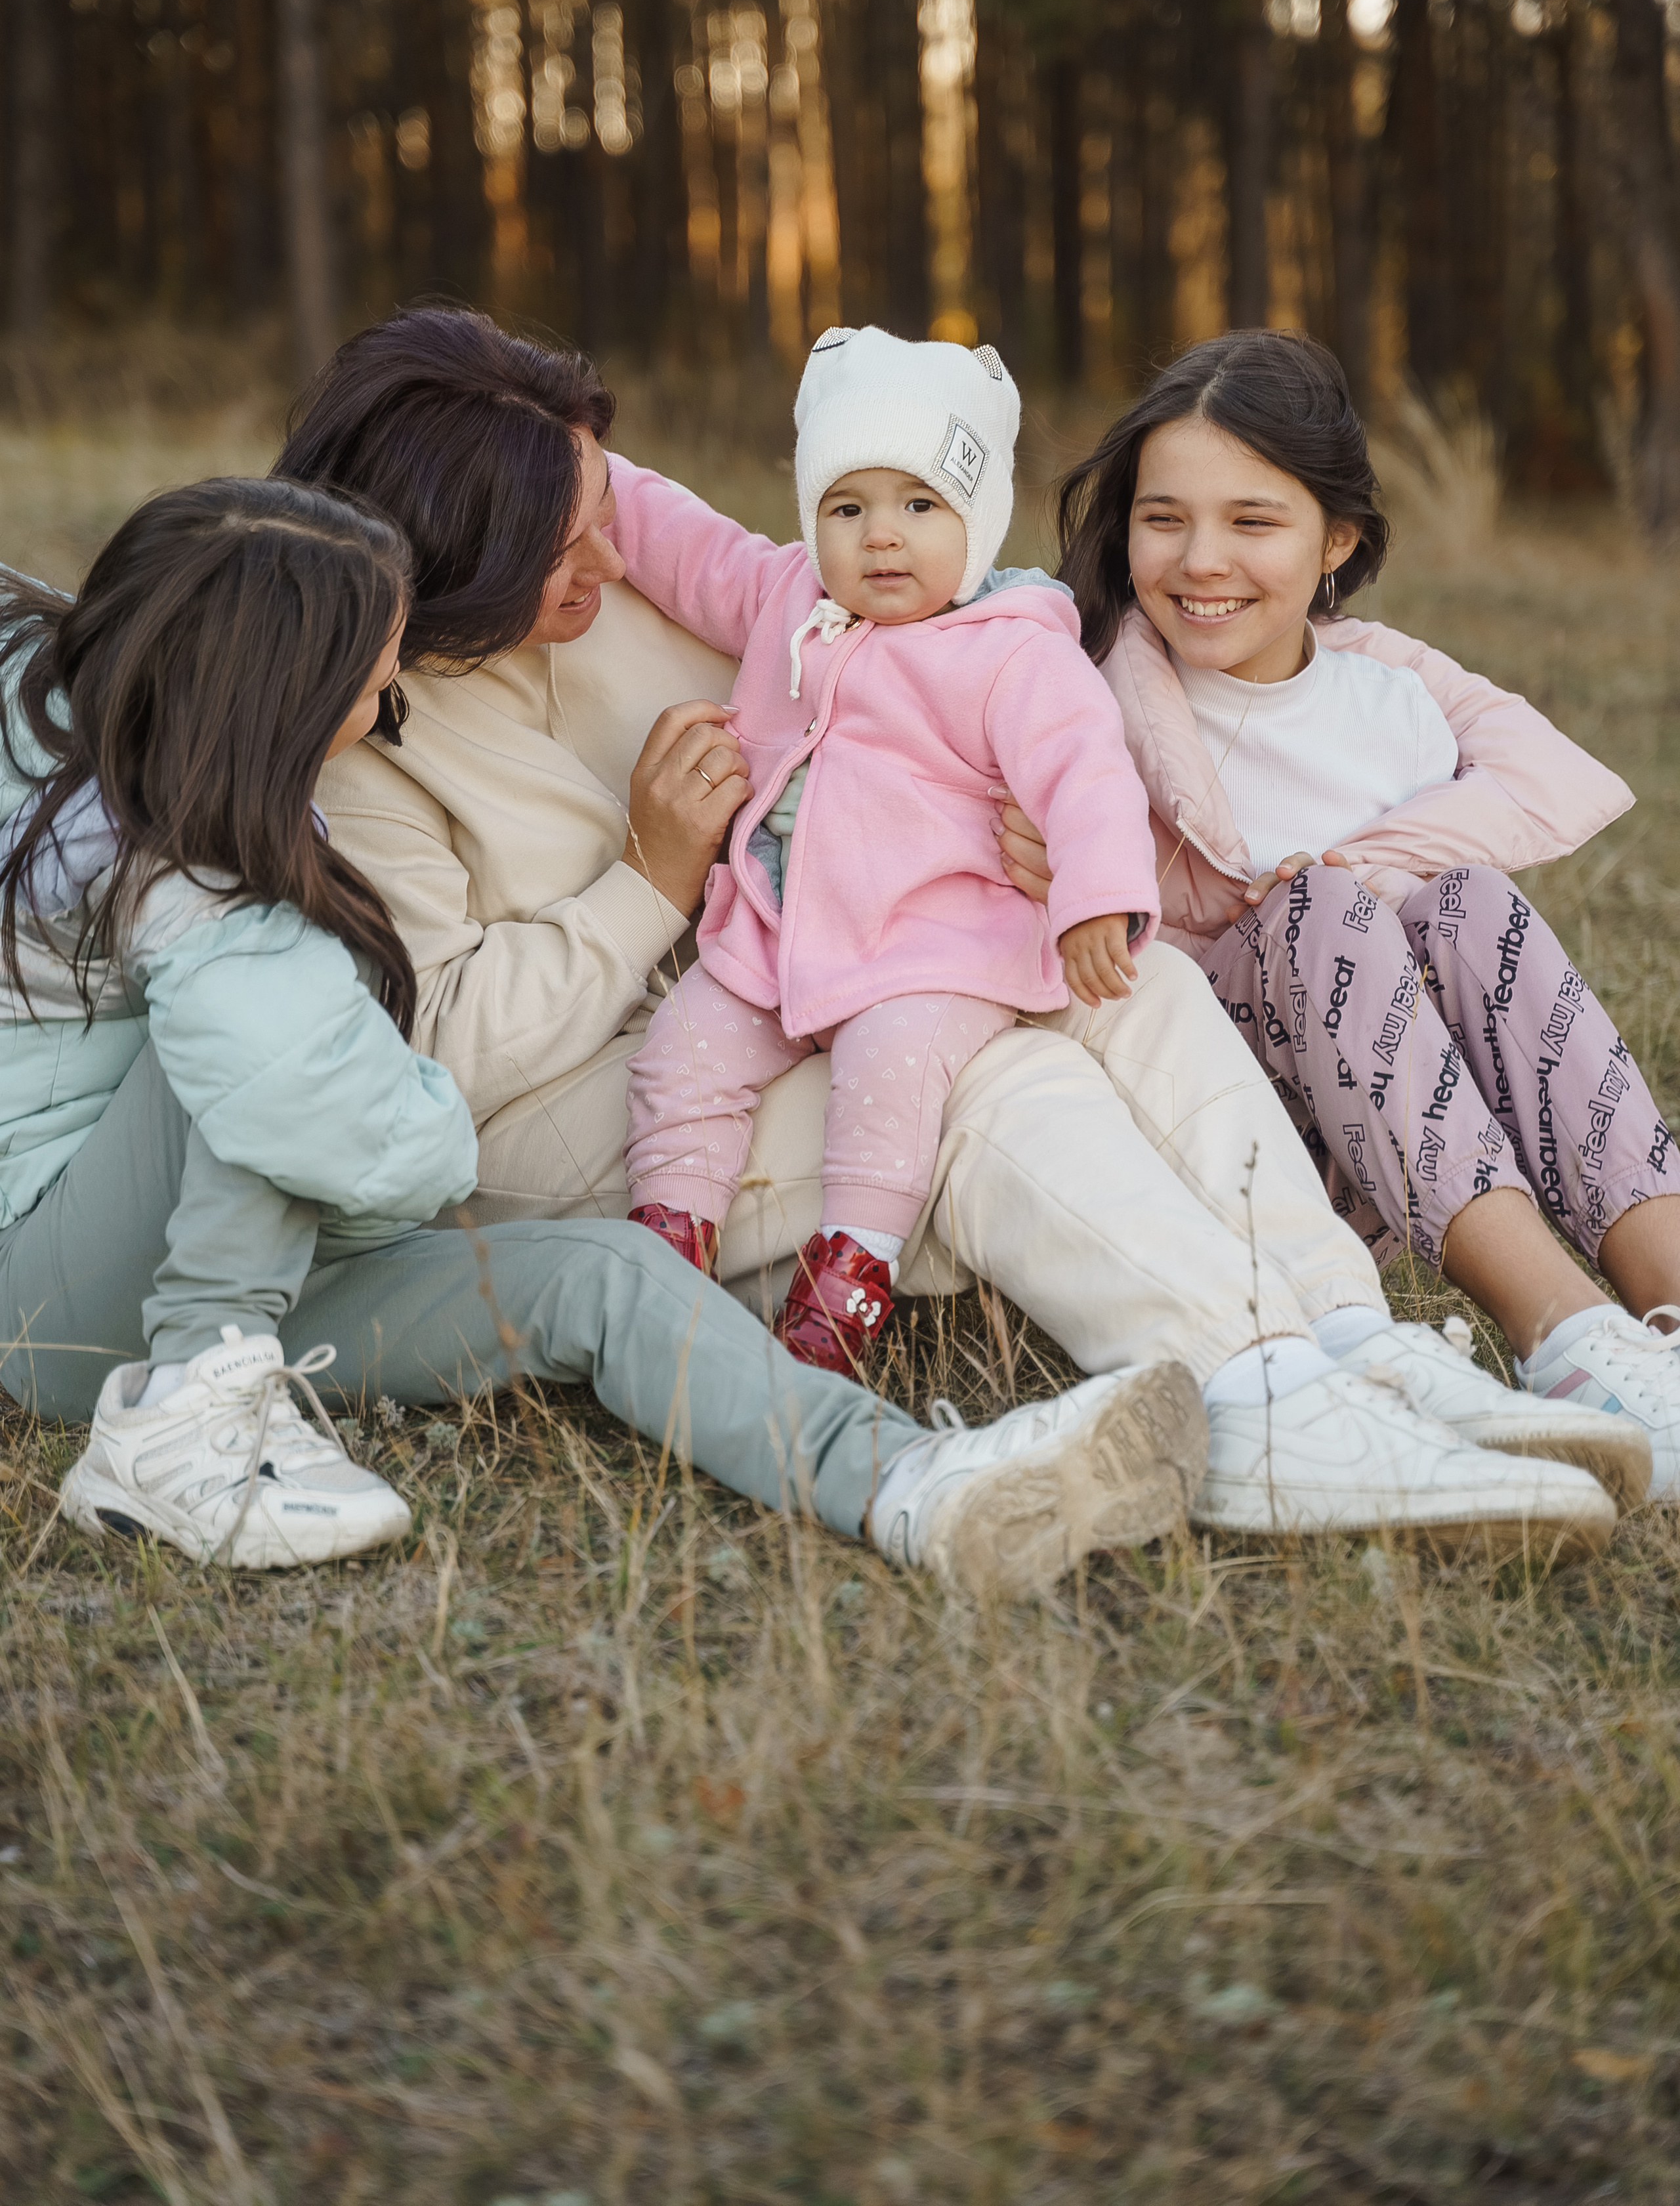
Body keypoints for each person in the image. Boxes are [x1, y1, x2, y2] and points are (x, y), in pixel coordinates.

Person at [299, 306, 1633, 1552]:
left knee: (1129, 989)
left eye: (604, 511)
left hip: (826, 968)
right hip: (598, 1095)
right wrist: (648, 880)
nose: (611, 551)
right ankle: (1256, 1399)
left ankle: (1349, 1337)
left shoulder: (610, 574)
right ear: (457, 556)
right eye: (566, 540)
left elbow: (864, 662)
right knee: (1001, 1076)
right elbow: (438, 1061)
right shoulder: (359, 739)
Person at [0, 477, 1216, 1598]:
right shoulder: (177, 858)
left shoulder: (142, 713)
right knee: (267, 1035)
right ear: (273, 693)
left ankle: (909, 1486)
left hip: (274, 1260)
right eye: (368, 687)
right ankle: (180, 1425)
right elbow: (344, 1125)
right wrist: (428, 1129)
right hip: (55, 1292)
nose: (384, 713)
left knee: (607, 1270)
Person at [1005, 326, 1680, 1493]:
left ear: (1337, 541)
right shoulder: (1080, 691)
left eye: (1253, 522)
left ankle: (1668, 1305)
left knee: (1467, 903)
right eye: (1164, 518)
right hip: (1230, 1133)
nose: (1200, 559)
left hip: (1394, 1127)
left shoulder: (1390, 699)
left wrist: (1350, 869)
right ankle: (1562, 1336)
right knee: (1318, 912)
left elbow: (1551, 779)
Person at [619, 326, 1160, 1377]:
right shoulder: (789, 602)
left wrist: (1096, 896)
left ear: (977, 516)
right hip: (779, 935)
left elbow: (1085, 771)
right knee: (680, 1054)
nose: (881, 538)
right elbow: (686, 546)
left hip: (932, 945)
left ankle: (853, 1265)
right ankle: (666, 1249)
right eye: (847, 507)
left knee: (892, 1075)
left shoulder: (1011, 648)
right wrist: (588, 472)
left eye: (920, 506)